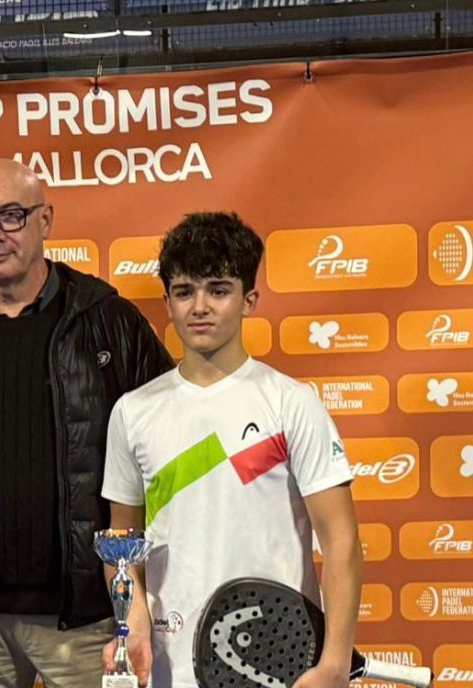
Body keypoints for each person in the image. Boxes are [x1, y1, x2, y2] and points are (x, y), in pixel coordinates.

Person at [0, 159, 175, 688]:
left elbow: (166, 453)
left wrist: (135, 592)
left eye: (11, 216)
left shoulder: (112, 324)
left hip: (90, 618)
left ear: (46, 220)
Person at [100, 212, 363, 688]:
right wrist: (131, 618)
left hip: (277, 662)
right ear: (168, 303)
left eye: (218, 290)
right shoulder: (132, 411)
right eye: (185, 292)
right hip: (167, 667)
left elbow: (341, 541)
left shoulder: (292, 403)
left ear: (249, 301)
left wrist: (334, 664)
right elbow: (123, 541)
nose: (200, 307)